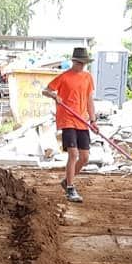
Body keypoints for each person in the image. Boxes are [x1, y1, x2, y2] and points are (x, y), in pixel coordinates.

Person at [43, 48, 96, 204]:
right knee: (73, 154)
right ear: (74, 61)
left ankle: (66, 181)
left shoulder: (88, 78)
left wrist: (93, 120)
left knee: (85, 158)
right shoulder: (64, 77)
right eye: (79, 63)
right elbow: (45, 90)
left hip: (82, 120)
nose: (81, 66)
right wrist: (54, 95)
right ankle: (71, 189)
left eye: (84, 63)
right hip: (67, 119)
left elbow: (89, 100)